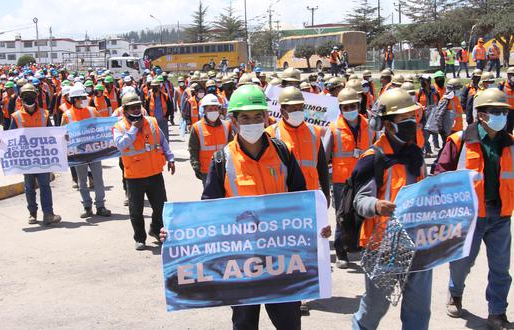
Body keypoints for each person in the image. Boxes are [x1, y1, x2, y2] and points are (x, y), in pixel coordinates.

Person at [161, 84, 331, 329]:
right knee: (244, 324)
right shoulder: (223, 160)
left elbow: (301, 201)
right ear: (234, 120)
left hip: (281, 260)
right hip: (240, 263)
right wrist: (177, 233)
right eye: (245, 117)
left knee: (289, 323)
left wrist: (319, 227)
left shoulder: (283, 154)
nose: (252, 122)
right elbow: (208, 211)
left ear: (265, 117)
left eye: (257, 116)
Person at [434, 88, 513, 330]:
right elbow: (439, 174)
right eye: (495, 112)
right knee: (462, 263)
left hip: (501, 215)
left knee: (500, 268)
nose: (501, 116)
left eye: (504, 111)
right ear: (481, 115)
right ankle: (455, 292)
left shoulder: (510, 142)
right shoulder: (459, 141)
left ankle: (497, 313)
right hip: (468, 217)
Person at [351, 88, 430, 329]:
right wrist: (376, 205)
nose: (410, 123)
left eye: (412, 117)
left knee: (418, 309)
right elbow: (359, 201)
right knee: (374, 309)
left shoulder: (416, 154)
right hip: (382, 246)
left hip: (417, 243)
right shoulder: (373, 157)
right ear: (385, 123)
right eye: (402, 119)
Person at [112, 92, 175, 250]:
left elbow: (162, 141)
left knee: (160, 207)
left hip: (154, 173)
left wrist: (170, 158)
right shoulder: (119, 127)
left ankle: (155, 229)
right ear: (125, 110)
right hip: (134, 176)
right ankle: (140, 238)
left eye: (138, 107)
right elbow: (121, 145)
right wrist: (133, 129)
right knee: (136, 210)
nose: (136, 110)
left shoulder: (151, 122)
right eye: (132, 108)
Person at [323, 87, 375, 268]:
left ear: (358, 105)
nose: (349, 110)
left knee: (364, 214)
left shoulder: (369, 126)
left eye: (352, 106)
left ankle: (359, 247)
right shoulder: (333, 128)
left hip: (365, 178)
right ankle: (341, 252)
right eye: (345, 107)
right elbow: (325, 155)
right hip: (341, 181)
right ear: (340, 109)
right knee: (343, 216)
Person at [0, 83, 62, 226]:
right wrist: (1, 141)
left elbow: (51, 133)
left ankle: (48, 214)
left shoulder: (44, 114)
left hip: (43, 157)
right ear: (21, 98)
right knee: (29, 187)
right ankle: (32, 214)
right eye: (26, 95)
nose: (29, 98)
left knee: (45, 186)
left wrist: (61, 138)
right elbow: (11, 137)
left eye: (32, 95)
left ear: (36, 96)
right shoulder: (16, 116)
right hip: (27, 159)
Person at [61, 84, 112, 219]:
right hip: (78, 153)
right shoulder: (67, 115)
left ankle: (100, 205)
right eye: (82, 97)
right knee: (82, 181)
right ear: (75, 99)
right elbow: (63, 133)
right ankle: (87, 206)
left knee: (98, 179)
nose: (85, 99)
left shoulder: (92, 111)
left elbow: (101, 128)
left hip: (94, 150)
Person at [189, 94, 232, 186]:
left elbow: (232, 146)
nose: (213, 112)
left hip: (226, 169)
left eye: (216, 109)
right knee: (210, 198)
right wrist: (195, 165)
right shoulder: (196, 128)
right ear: (204, 110)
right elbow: (193, 149)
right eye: (210, 109)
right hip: (207, 171)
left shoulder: (227, 126)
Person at [146, 77, 172, 141]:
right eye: (153, 86)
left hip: (163, 120)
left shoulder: (165, 96)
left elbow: (170, 107)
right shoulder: (148, 98)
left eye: (156, 86)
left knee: (165, 138)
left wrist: (166, 117)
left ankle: (165, 150)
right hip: (153, 121)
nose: (154, 88)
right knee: (154, 138)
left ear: (159, 87)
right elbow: (146, 108)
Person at [498, 67, 514, 132]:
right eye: (511, 74)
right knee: (507, 128)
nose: (512, 76)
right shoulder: (502, 84)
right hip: (506, 110)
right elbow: (497, 96)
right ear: (508, 75)